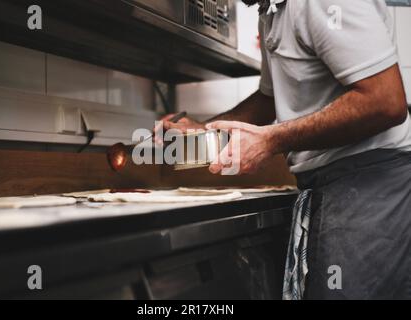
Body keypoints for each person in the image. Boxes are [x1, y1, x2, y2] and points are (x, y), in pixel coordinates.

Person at [157, 0, 411, 300]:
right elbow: (269, 99)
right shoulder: (273, 11)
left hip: (368, 183)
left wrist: (271, 140)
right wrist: (206, 129)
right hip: (332, 184)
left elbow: (385, 102)